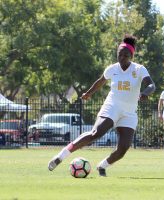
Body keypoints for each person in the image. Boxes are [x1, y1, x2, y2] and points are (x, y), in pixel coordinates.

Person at [48, 34, 156, 176]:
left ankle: (102, 166)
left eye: (125, 55)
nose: (122, 57)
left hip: (129, 113)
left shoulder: (139, 69)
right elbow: (100, 82)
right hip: (112, 106)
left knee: (123, 148)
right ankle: (61, 156)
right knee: (96, 133)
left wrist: (145, 93)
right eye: (119, 54)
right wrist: (88, 93)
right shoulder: (112, 69)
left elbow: (152, 85)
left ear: (131, 56)